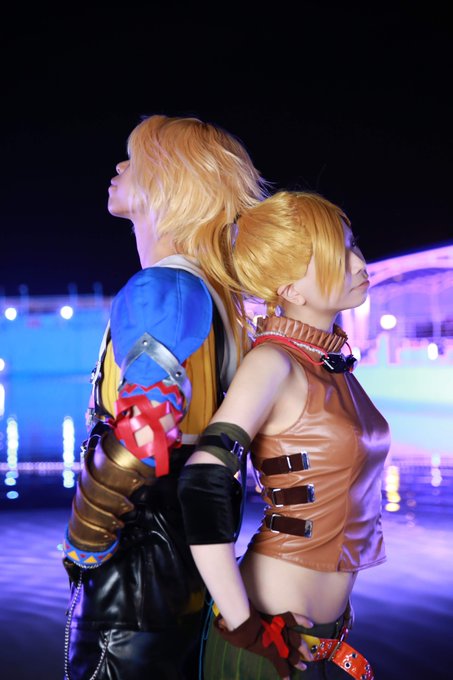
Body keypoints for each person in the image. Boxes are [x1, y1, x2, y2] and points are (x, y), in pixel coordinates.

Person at [61, 113, 271, 680]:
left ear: (170, 183)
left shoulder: (165, 288)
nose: (118, 166)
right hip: (186, 570)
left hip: (134, 581)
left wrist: (83, 539)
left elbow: (144, 429)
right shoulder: (217, 298)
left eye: (134, 160)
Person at [177, 190, 391, 679]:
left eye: (353, 245)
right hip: (264, 639)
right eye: (339, 253)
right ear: (291, 289)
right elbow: (202, 482)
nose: (359, 262)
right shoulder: (273, 362)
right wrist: (245, 626)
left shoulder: (331, 365)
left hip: (319, 637)